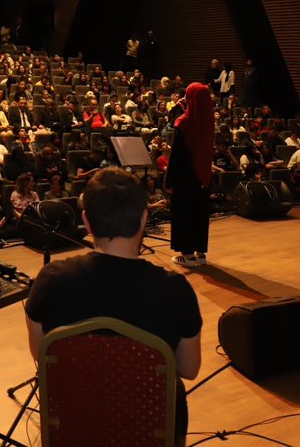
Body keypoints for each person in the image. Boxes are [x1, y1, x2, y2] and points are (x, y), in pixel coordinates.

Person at [25, 168, 202, 445]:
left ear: (86, 220)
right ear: (144, 217)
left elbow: (42, 353)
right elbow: (189, 369)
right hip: (147, 432)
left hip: (75, 427)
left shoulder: (50, 280)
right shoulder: (175, 289)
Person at [165, 83, 214, 268]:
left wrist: (168, 180)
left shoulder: (184, 122)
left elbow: (175, 155)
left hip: (185, 177)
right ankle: (200, 254)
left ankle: (187, 256)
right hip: (203, 176)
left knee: (184, 214)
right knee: (199, 215)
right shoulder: (209, 121)